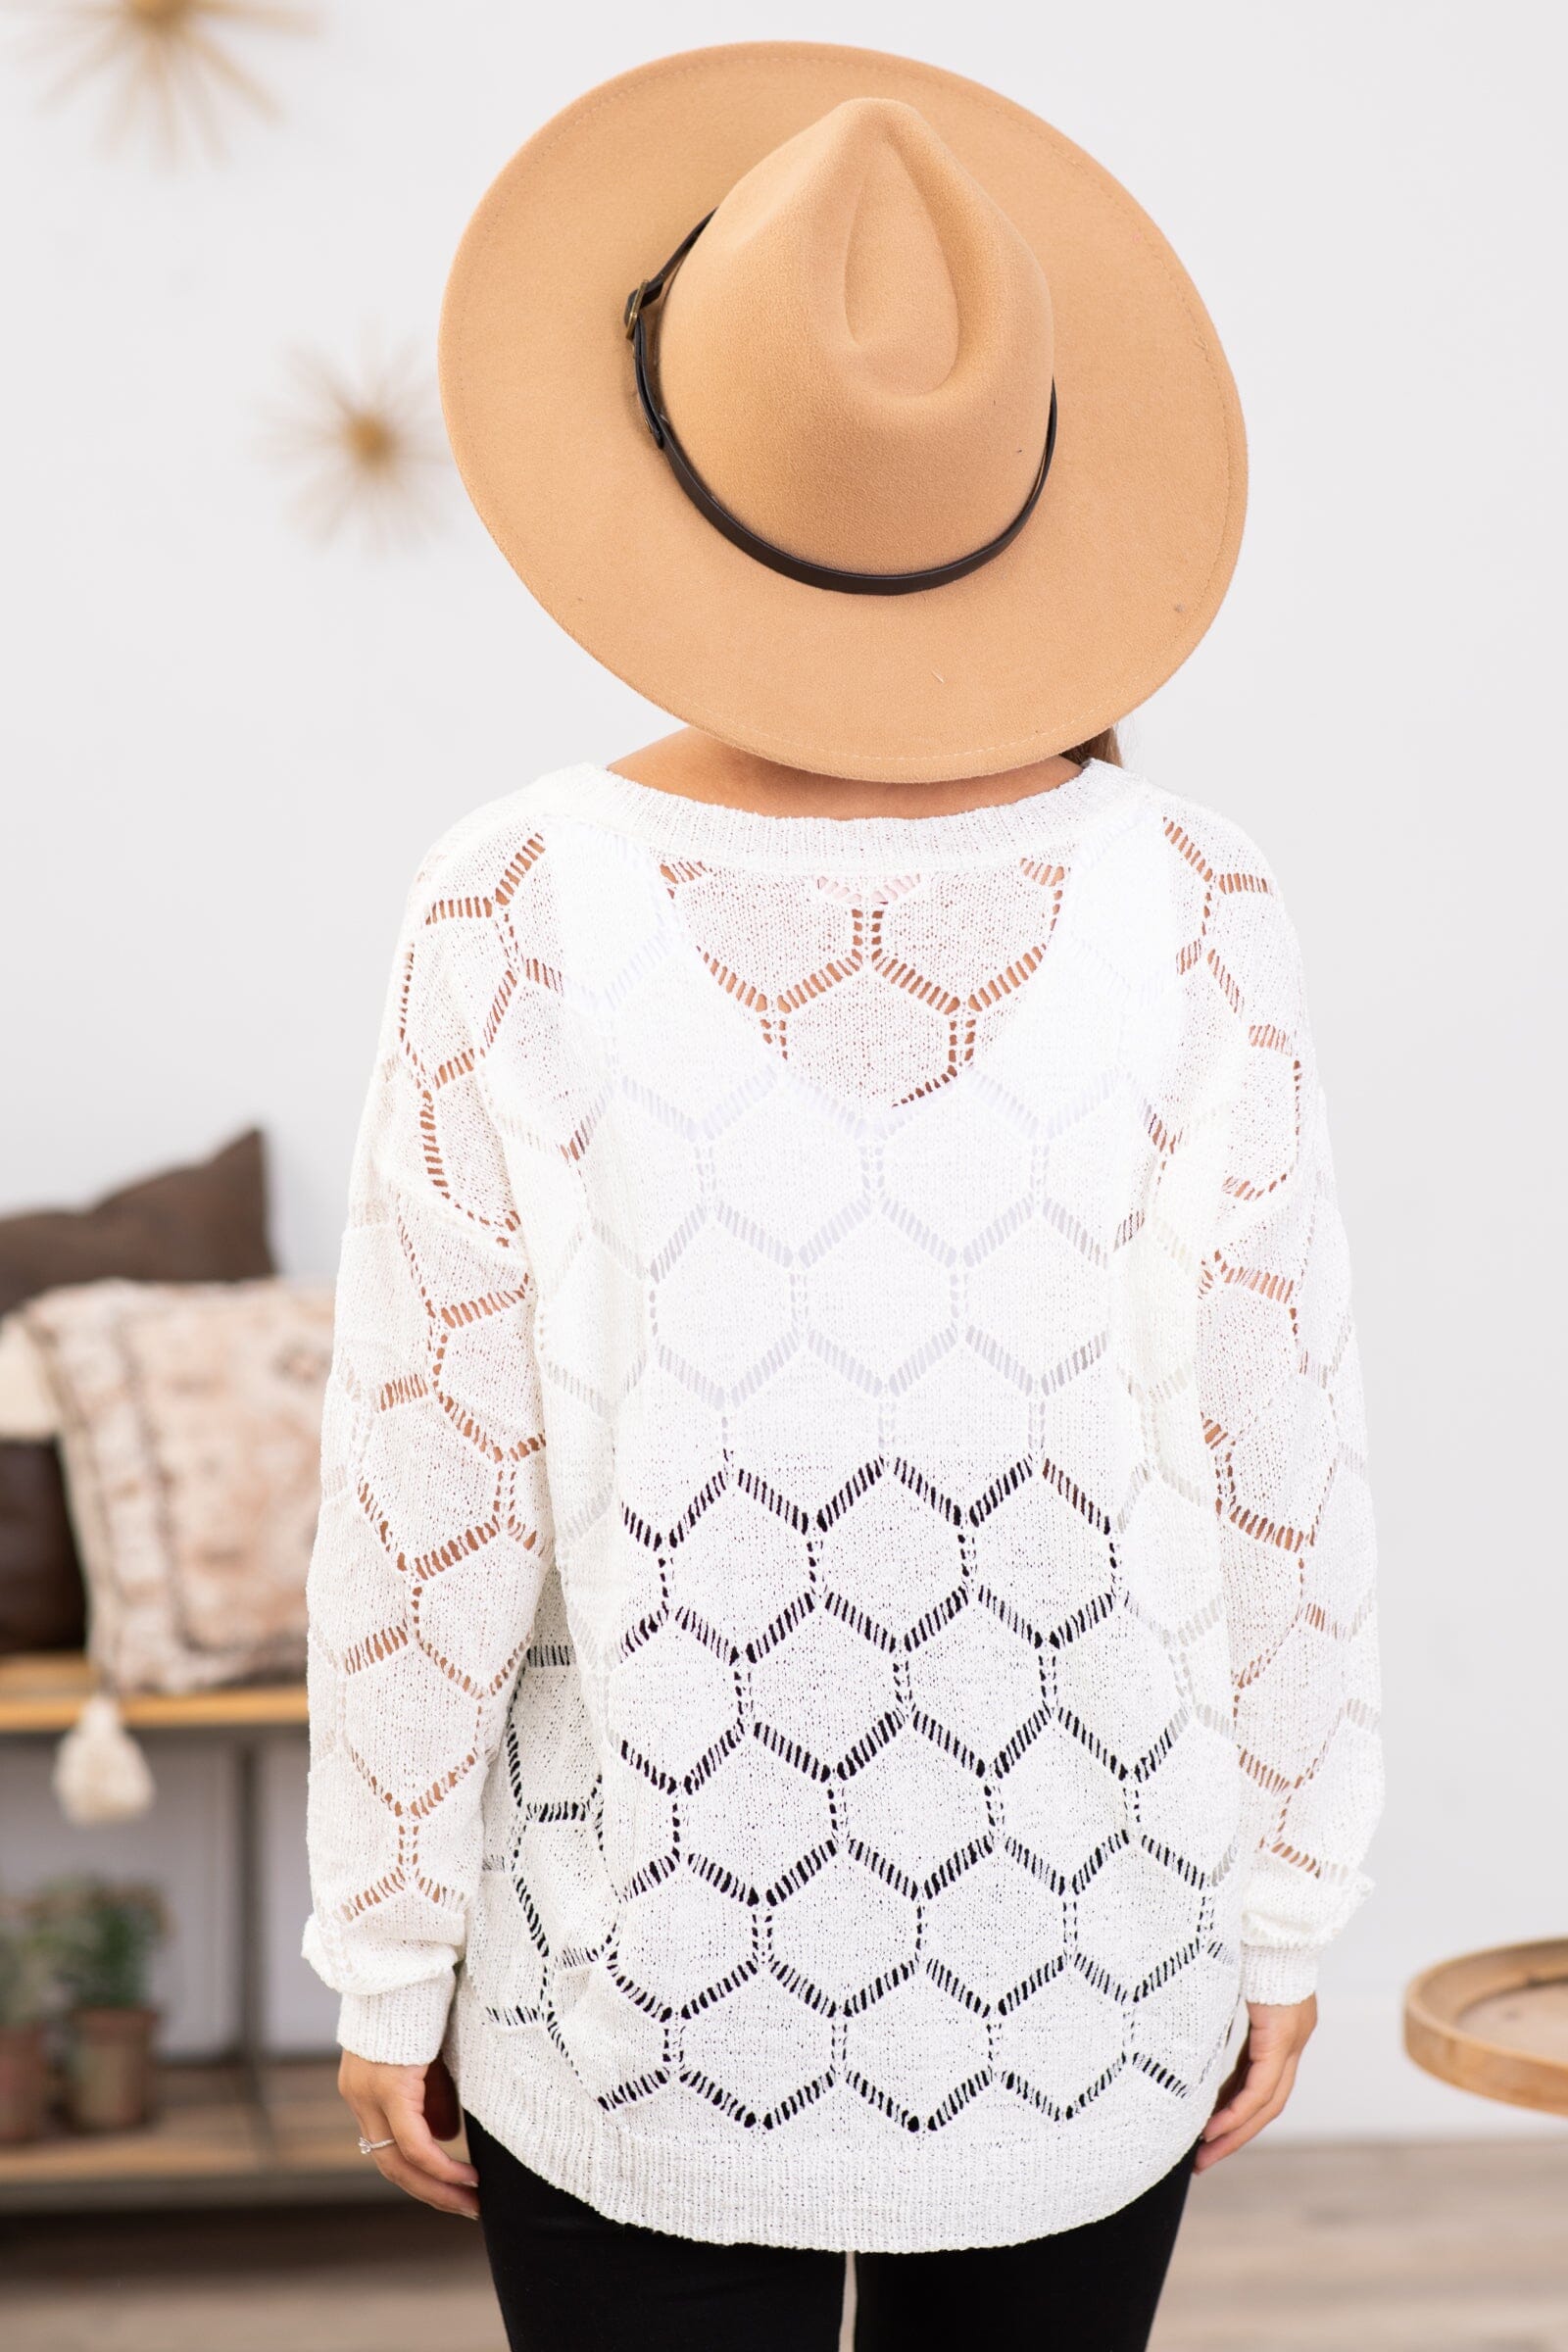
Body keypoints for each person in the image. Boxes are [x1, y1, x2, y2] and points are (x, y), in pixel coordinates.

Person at [303, 41, 1384, 2352]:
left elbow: (429, 1481)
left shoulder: (510, 900)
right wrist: (1285, 1899)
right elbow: (1276, 1457)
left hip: (631, 1984)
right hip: (1090, 1967)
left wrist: (385, 1945)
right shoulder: (1194, 895)